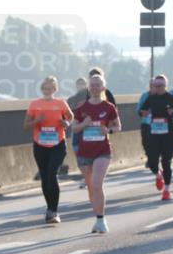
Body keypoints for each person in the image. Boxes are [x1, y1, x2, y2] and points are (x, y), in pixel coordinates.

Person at [72, 73, 121, 233]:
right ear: (88, 87)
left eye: (97, 84)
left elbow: (118, 127)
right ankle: (97, 218)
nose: (94, 87)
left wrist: (108, 130)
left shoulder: (108, 107)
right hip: (84, 152)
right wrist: (84, 124)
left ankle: (101, 220)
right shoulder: (81, 107)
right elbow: (74, 128)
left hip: (102, 151)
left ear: (103, 87)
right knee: (91, 188)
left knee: (97, 184)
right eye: (92, 85)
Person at [24, 76, 73, 223]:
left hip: (57, 144)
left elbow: (71, 117)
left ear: (55, 89)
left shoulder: (60, 103)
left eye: (51, 89)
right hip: (40, 145)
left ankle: (54, 210)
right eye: (45, 89)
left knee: (52, 173)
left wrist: (66, 123)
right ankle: (49, 209)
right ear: (42, 89)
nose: (48, 91)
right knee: (45, 178)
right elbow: (25, 126)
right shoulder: (35, 104)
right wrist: (36, 121)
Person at [140, 75, 173, 201]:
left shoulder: (172, 98)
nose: (158, 88)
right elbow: (141, 111)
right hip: (153, 133)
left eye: (161, 86)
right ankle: (158, 174)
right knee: (152, 161)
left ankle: (166, 190)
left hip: (168, 134)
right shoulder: (151, 98)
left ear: (165, 86)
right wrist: (144, 112)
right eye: (156, 86)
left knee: (166, 162)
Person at [136, 78, 163, 167]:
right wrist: (142, 112)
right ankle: (150, 157)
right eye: (151, 86)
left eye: (155, 86)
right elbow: (139, 108)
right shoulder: (145, 96)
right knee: (146, 142)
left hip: (159, 123)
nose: (153, 87)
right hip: (146, 123)